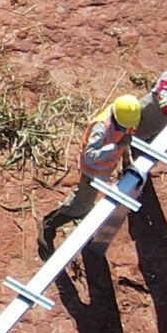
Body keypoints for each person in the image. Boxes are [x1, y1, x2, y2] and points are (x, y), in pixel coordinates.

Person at [40, 95, 142, 259]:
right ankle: (49, 225)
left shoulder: (126, 118)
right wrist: (116, 147)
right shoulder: (102, 127)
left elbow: (126, 140)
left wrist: (127, 162)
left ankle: (73, 211)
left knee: (84, 202)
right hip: (92, 171)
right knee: (82, 204)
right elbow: (90, 156)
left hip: (104, 170)